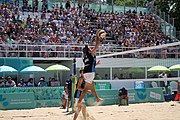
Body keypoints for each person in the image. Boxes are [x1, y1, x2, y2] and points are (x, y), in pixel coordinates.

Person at [77, 29, 105, 106]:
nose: (90, 48)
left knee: (92, 86)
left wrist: (96, 64)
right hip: (89, 73)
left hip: (86, 72)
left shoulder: (84, 57)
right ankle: (79, 102)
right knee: (85, 89)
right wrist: (97, 36)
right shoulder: (91, 53)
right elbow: (97, 45)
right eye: (89, 48)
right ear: (88, 50)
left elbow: (89, 64)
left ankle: (97, 98)